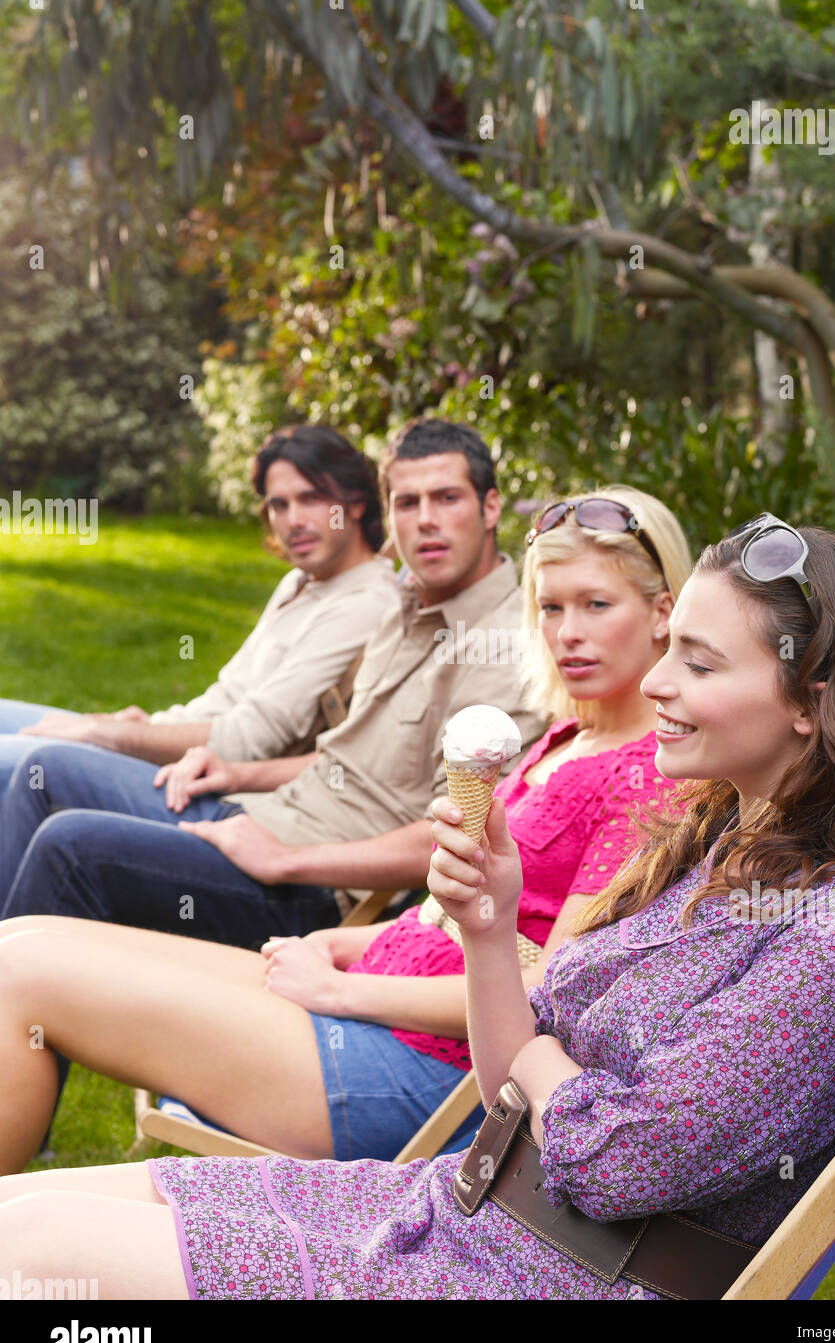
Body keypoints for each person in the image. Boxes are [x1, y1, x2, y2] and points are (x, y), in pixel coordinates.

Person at [0, 517, 835, 1301]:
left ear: (810, 700)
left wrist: (542, 1062)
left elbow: (620, 1162)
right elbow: (509, 1086)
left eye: (699, 665)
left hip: (540, 1274)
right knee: (14, 1226)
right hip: (458, 1210)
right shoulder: (716, 846)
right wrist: (493, 930)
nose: (657, 682)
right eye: (669, 653)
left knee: (37, 1273)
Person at [0, 487, 691, 1170]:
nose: (567, 631)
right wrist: (344, 943)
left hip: (413, 1073)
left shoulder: (649, 782)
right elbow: (456, 918)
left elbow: (554, 996)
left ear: (662, 613)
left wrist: (340, 990)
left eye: (596, 605)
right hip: (367, 1000)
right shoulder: (567, 738)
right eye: (550, 606)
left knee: (19, 974)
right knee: (20, 940)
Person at [0, 417, 546, 945]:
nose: (426, 519)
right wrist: (238, 772)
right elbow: (349, 759)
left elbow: (460, 839)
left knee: (68, 846)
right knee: (48, 770)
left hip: (314, 886)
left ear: (491, 506)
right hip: (263, 814)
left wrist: (286, 861)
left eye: (447, 498)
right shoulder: (404, 610)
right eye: (408, 502)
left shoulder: (502, 651)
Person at [0, 425, 398, 783]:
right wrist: (151, 726)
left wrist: (110, 736)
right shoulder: (301, 581)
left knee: (19, 758)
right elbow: (227, 695)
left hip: (211, 783)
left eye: (311, 499)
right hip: (183, 751)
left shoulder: (364, 602)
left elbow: (250, 738)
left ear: (356, 503)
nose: (292, 521)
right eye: (279, 505)